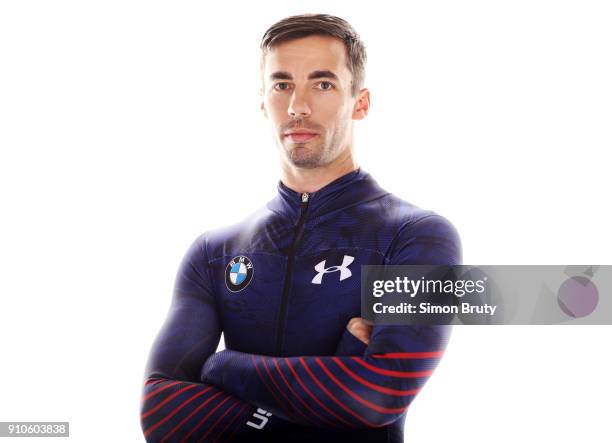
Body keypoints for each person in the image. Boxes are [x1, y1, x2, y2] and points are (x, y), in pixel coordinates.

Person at [140, 13, 461, 442]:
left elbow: (379, 395)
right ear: (262, 101)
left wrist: (221, 366)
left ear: (360, 102)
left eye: (323, 83)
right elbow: (162, 414)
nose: (298, 106)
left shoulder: (417, 238)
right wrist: (331, 398)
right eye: (282, 84)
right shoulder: (213, 252)